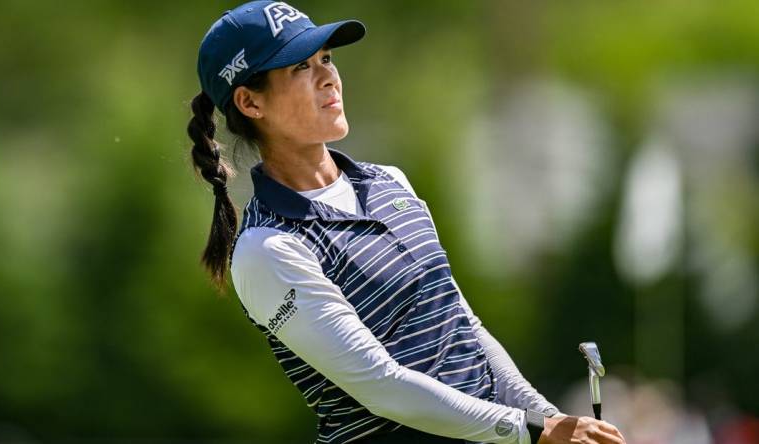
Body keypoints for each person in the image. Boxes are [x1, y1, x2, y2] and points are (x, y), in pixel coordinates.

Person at [187, 2, 627, 444]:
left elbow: (462, 326)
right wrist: (532, 430)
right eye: (300, 67)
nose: (329, 78)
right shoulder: (268, 247)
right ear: (249, 102)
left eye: (326, 59)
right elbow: (382, 385)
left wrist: (548, 418)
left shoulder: (389, 183)